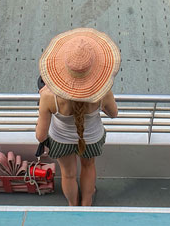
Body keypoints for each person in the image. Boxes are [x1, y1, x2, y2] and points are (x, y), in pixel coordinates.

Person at [35, 28, 120, 206]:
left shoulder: (48, 96)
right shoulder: (103, 92)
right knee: (88, 167)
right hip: (92, 138)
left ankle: (73, 205)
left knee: (68, 174)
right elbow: (114, 113)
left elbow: (41, 136)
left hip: (60, 140)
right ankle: (86, 202)